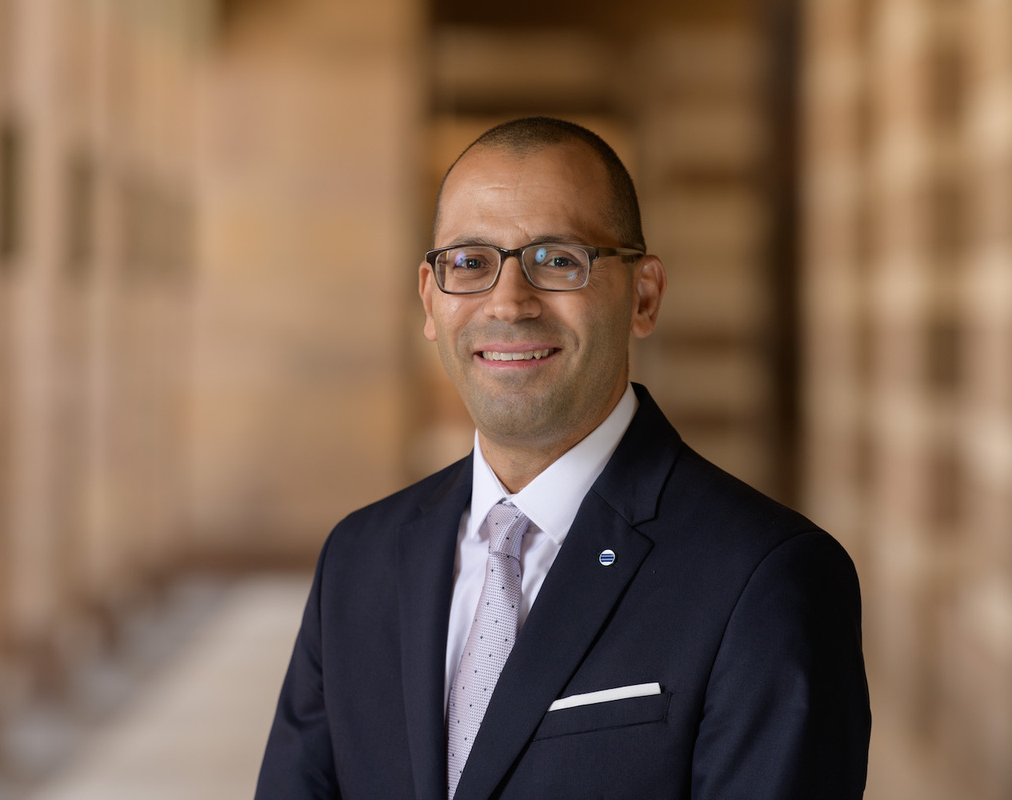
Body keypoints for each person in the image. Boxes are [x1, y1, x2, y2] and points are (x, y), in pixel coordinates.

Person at [256, 116, 870, 799]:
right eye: (469, 262)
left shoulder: (768, 579)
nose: (509, 303)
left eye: (557, 259)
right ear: (431, 301)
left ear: (644, 294)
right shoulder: (358, 559)